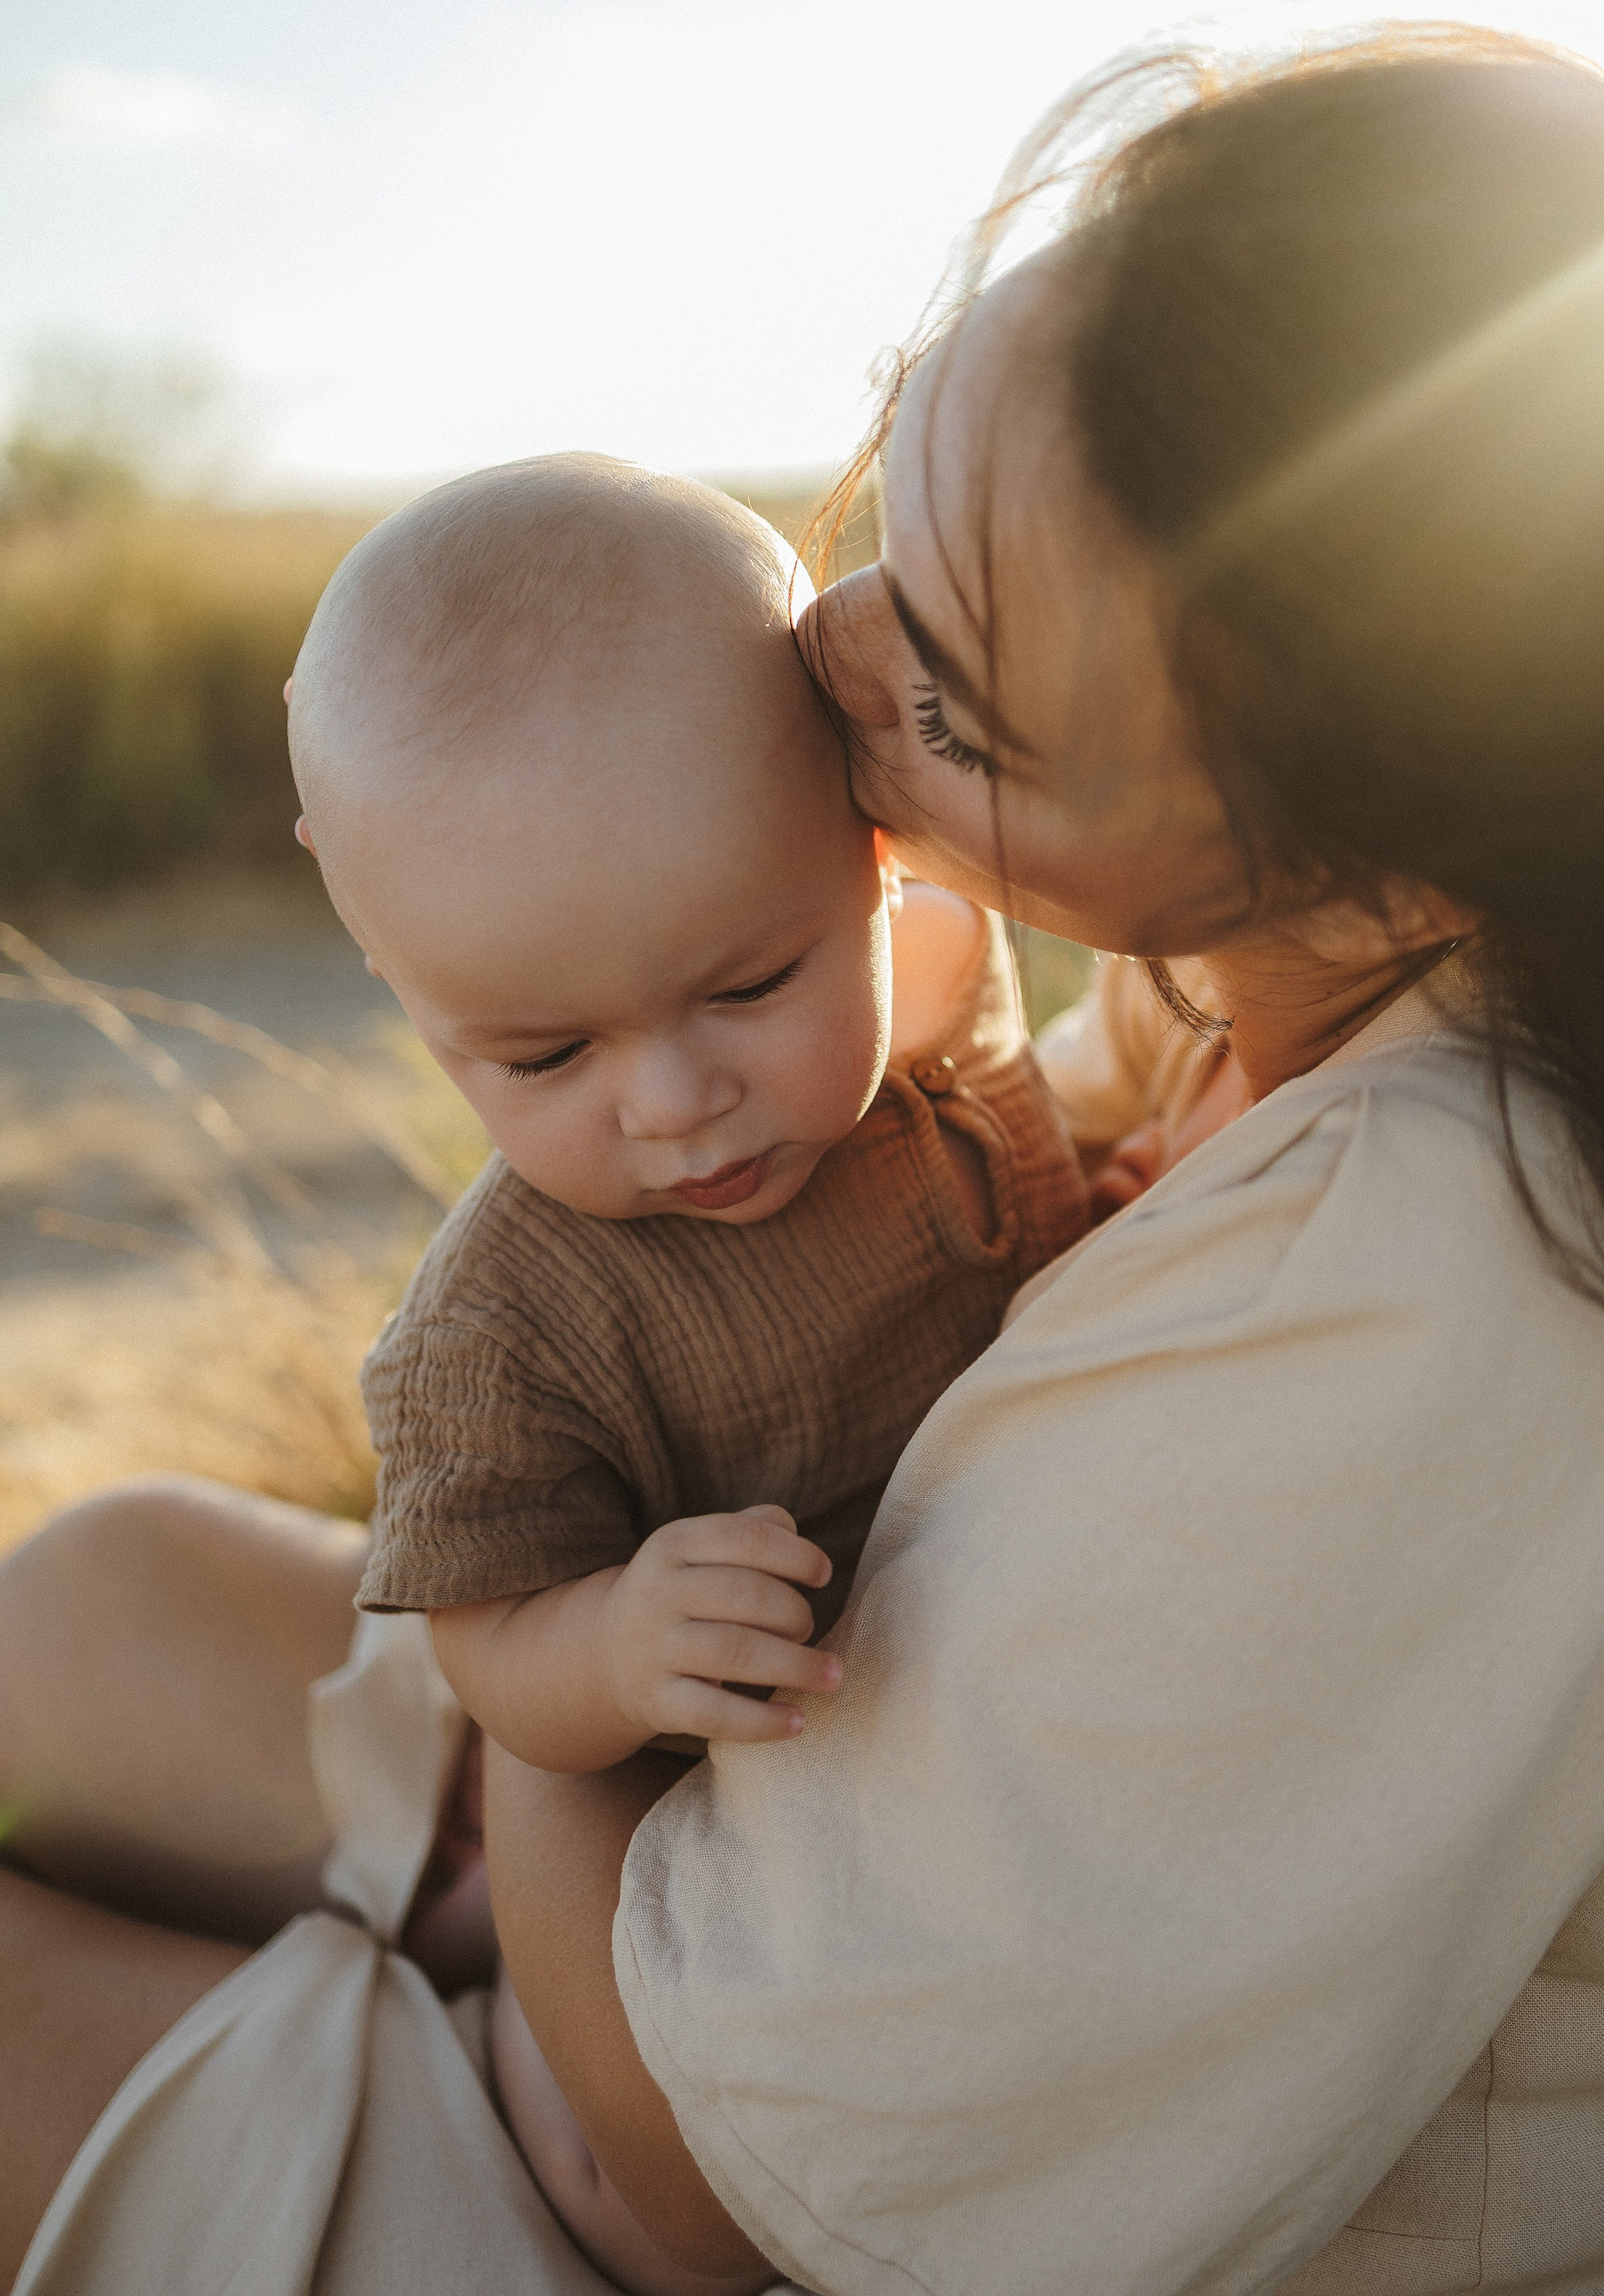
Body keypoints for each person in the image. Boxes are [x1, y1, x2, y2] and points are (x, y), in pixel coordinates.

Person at [5, 25, 1604, 2295]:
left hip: (675, 2157)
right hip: (754, 1798)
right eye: (893, 510)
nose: (822, 650)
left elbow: (715, 2187)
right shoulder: (1291, 977)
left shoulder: (1437, 1318)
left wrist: (558, 1720)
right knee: (95, 1592)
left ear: (1383, 860)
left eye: (955, 697)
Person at [284, 452, 1086, 2288]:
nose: (671, 1101)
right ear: (392, 966)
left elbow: (1021, 1148)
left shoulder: (945, 995)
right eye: (540, 1057)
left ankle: (407, 1921)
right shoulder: (500, 1334)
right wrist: (610, 1645)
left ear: (874, 846)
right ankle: (443, 1982)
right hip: (695, 1869)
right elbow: (490, 1645)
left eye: (750, 984)